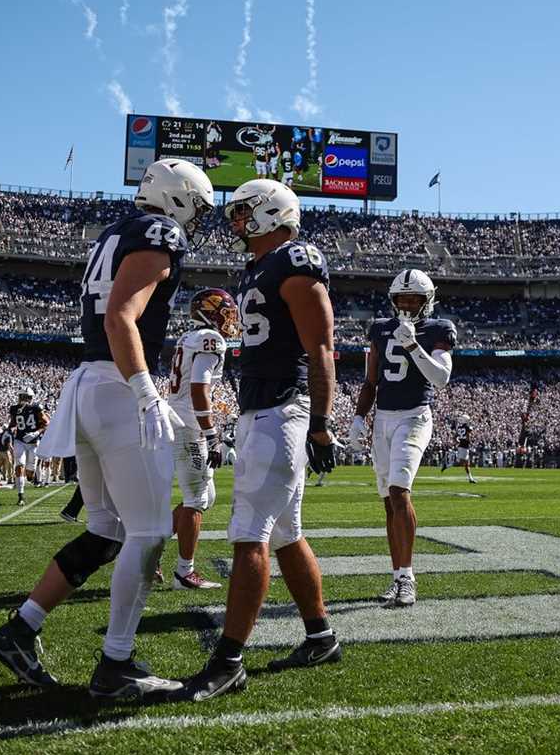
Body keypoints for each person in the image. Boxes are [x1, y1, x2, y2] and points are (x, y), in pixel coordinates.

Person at [0, 158, 214, 699]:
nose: (197, 219)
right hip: (117, 387)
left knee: (106, 530)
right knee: (151, 531)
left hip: (88, 381)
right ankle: (117, 664)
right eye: (197, 207)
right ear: (179, 198)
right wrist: (144, 390)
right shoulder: (160, 231)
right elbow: (121, 317)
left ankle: (20, 628)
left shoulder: (115, 231)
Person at [182, 178, 340, 702]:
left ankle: (228, 661)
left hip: (283, 409)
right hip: (262, 408)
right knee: (286, 534)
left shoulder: (296, 260)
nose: (235, 222)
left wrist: (320, 423)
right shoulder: (260, 266)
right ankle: (320, 637)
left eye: (244, 212)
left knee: (250, 534)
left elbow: (321, 348)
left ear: (272, 212)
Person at [348, 268, 455, 608]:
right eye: (402, 299)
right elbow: (370, 380)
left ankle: (408, 578)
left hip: (414, 416)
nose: (408, 305)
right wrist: (358, 417)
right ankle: (397, 577)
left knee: (399, 492)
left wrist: (412, 344)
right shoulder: (380, 328)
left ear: (428, 301)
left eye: (414, 299)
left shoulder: (439, 329)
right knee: (387, 502)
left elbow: (440, 378)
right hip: (383, 420)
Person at [166, 287, 240, 590]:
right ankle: (185, 572)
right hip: (189, 425)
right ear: (210, 313)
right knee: (196, 498)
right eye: (225, 312)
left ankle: (149, 552)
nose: (230, 319)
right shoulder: (211, 340)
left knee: (205, 497)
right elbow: (199, 388)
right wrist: (211, 435)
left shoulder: (190, 338)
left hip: (183, 421)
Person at [9, 390, 48, 504]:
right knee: (19, 465)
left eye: (25, 397)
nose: (23, 399)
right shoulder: (14, 409)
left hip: (33, 443)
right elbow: (12, 423)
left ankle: (31, 476)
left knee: (29, 474)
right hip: (20, 440)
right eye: (22, 396)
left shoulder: (36, 408)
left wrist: (36, 433)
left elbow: (46, 423)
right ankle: (20, 496)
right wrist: (10, 428)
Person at [453, 414, 477, 483]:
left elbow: (455, 437)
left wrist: (458, 441)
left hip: (461, 445)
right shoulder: (467, 427)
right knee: (463, 462)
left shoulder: (459, 428)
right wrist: (470, 443)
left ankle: (470, 478)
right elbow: (468, 436)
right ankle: (449, 463)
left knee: (466, 463)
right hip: (465, 446)